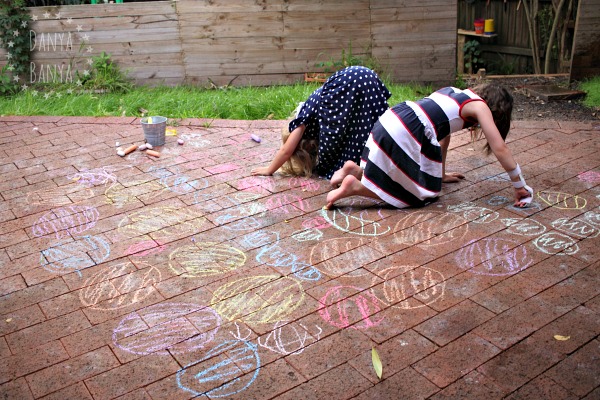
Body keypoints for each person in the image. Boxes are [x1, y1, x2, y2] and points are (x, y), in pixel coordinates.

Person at [325, 84, 534, 209]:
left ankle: (355, 170)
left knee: (402, 175)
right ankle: (355, 186)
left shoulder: (453, 91)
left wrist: (440, 175)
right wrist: (519, 185)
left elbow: (443, 138)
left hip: (393, 118)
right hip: (406, 130)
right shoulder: (480, 106)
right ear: (497, 109)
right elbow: (500, 148)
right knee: (415, 195)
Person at [250, 66, 391, 179]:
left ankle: (366, 166)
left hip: (350, 82)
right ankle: (384, 157)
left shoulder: (303, 117)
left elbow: (286, 150)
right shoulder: (320, 103)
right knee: (368, 123)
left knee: (357, 131)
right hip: (367, 77)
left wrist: (269, 170)